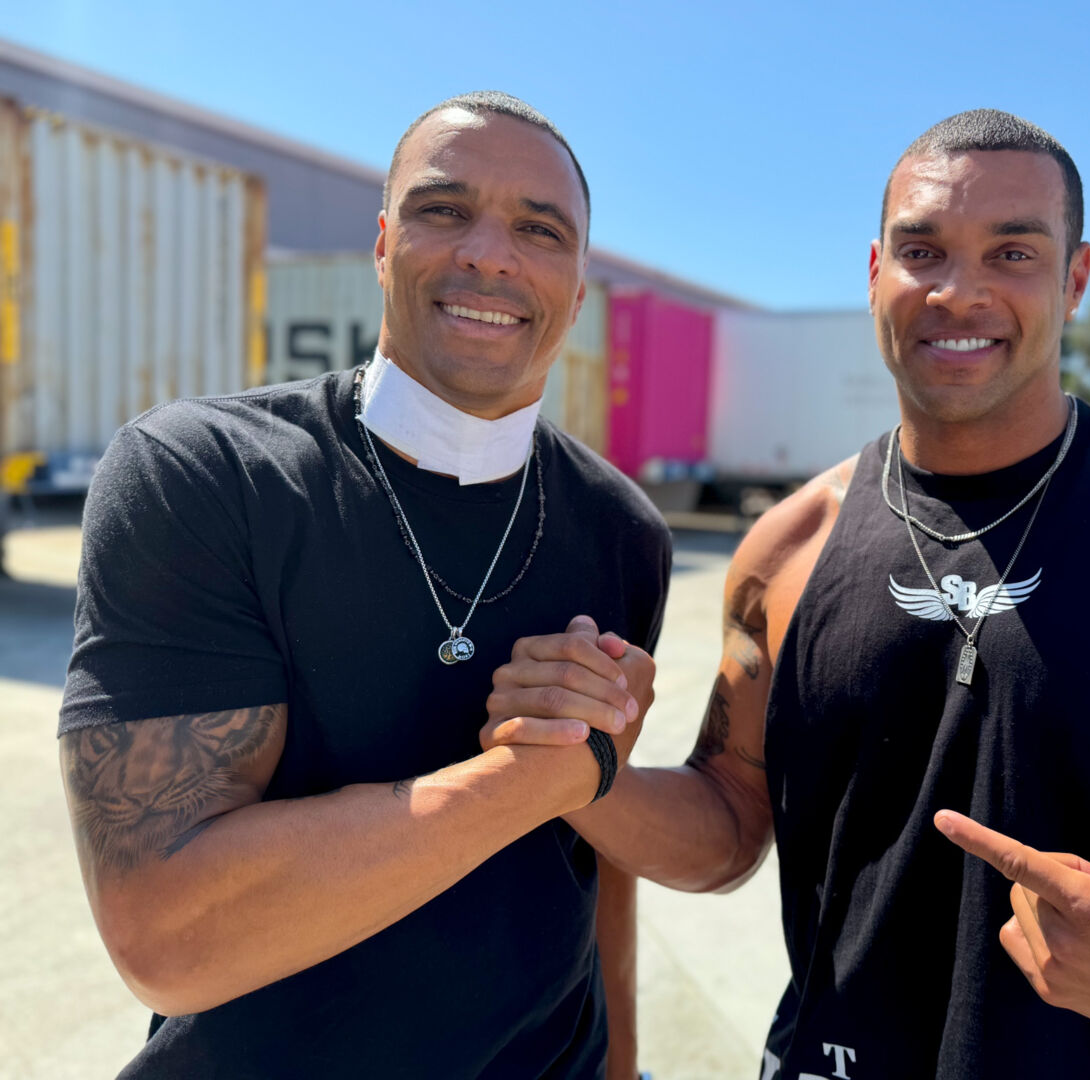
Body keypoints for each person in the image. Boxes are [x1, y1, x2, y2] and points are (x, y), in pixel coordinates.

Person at [488, 110, 1090, 1078]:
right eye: (923, 251)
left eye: (1013, 253)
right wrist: (585, 773)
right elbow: (727, 826)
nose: (959, 292)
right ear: (875, 271)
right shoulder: (786, 550)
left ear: (1075, 279)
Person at [58, 91, 669, 1078]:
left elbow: (591, 844)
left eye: (539, 230)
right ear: (383, 246)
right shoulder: (204, 474)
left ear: (578, 286)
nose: (489, 254)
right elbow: (169, 937)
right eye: (444, 209)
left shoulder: (622, 528)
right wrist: (532, 776)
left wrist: (623, 1063)